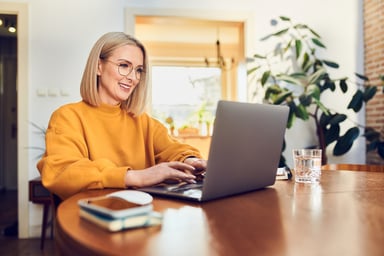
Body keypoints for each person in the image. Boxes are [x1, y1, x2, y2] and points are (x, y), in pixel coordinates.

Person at [37, 32, 207, 200]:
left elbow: (173, 148)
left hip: (143, 215)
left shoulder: (142, 121)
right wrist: (135, 177)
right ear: (98, 66)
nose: (133, 78)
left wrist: (190, 160)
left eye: (138, 70)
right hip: (91, 216)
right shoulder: (67, 117)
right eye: (124, 66)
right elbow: (62, 172)